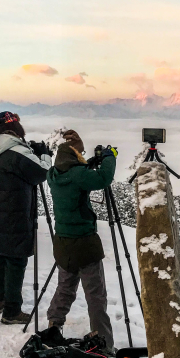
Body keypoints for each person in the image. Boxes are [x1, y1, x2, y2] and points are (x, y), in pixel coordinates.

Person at [45, 131, 116, 345]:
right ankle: (103, 340)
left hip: (63, 243)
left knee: (65, 287)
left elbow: (77, 175)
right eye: (81, 152)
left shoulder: (53, 174)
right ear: (75, 154)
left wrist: (88, 164)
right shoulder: (78, 175)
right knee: (95, 294)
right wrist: (109, 156)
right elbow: (104, 178)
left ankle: (53, 327)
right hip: (85, 243)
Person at [0, 112, 50, 325]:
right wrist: (44, 155)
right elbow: (41, 173)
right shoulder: (17, 151)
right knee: (16, 260)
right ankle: (12, 311)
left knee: (1, 255)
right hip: (16, 215)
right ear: (17, 128)